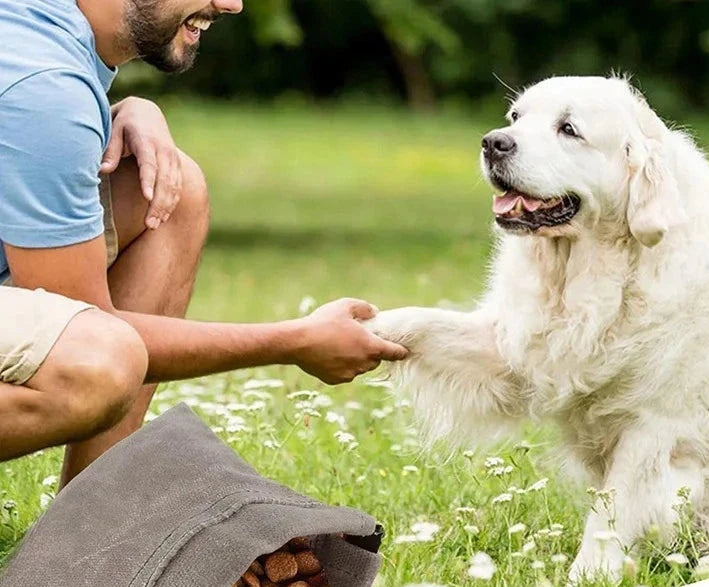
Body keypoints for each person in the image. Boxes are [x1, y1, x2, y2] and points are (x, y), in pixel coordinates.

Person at [0, 0, 406, 485]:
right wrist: (293, 340)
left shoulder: (35, 33)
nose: (231, 4)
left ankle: (86, 531)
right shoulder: (45, 88)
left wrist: (129, 110)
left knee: (174, 187)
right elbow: (80, 328)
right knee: (99, 362)